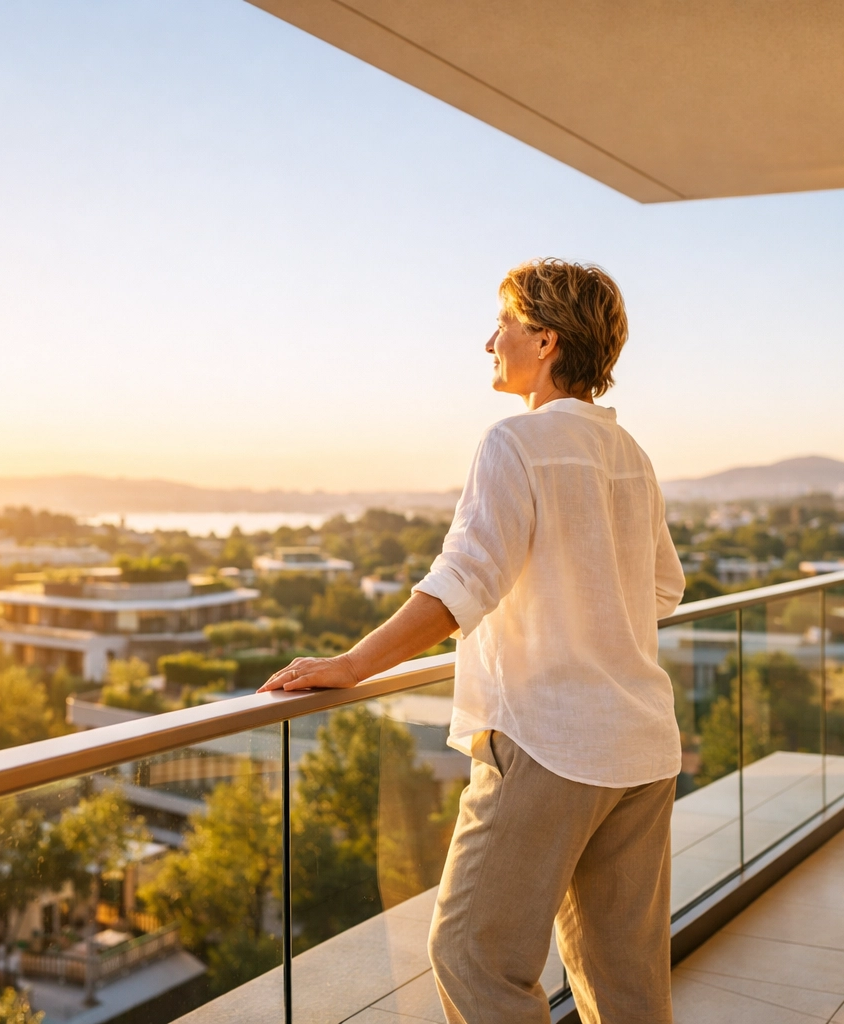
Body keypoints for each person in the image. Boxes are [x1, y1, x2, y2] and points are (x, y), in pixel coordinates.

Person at [259, 258, 683, 1024]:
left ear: (547, 341)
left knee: (474, 957)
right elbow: (661, 590)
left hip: (550, 743)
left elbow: (463, 583)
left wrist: (351, 664)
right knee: (626, 985)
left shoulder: (515, 443)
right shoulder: (633, 459)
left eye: (505, 324)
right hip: (644, 745)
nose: (489, 341)